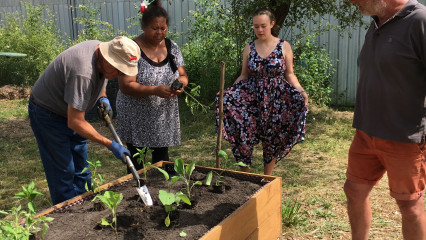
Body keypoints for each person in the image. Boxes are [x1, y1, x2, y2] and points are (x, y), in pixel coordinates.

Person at [344, 0, 426, 239]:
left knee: (409, 207)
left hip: (403, 138)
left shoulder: (419, 21)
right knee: (354, 191)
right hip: (365, 132)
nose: (352, 2)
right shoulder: (377, 22)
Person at [29, 36, 141, 205]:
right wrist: (110, 144)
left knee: (82, 170)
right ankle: (66, 217)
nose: (119, 75)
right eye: (119, 70)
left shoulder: (101, 53)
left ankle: (85, 210)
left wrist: (102, 98)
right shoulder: (83, 72)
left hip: (71, 109)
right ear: (107, 58)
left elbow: (101, 79)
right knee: (64, 172)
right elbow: (75, 122)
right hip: (48, 114)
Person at [217, 8, 308, 175]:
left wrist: (300, 90)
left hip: (276, 99)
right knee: (244, 132)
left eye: (263, 26)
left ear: (272, 24)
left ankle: (267, 179)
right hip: (251, 97)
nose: (259, 30)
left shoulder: (283, 46)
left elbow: (289, 74)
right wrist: (228, 93)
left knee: (273, 137)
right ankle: (244, 177)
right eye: (256, 26)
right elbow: (244, 75)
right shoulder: (249, 47)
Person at [116, 0, 189, 171]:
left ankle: (162, 194)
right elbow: (126, 85)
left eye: (163, 28)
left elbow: (183, 75)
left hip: (162, 116)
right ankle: (138, 193)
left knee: (162, 161)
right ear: (143, 26)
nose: (159, 32)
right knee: (136, 162)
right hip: (136, 116)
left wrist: (181, 85)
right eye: (154, 28)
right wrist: (154, 90)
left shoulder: (172, 47)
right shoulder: (132, 49)